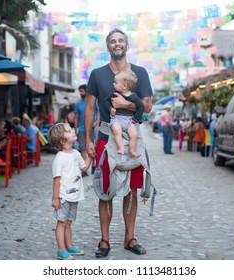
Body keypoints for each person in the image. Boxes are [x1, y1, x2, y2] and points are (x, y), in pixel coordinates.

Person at [84, 28, 152, 258]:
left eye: (121, 40)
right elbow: (90, 108)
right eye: (113, 41)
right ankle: (104, 240)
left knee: (132, 190)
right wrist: (86, 141)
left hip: (132, 136)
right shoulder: (97, 74)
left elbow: (147, 106)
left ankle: (129, 238)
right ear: (108, 46)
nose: (117, 44)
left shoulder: (140, 73)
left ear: (126, 45)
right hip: (105, 137)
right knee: (106, 190)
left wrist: (125, 104)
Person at [47, 122, 92, 260]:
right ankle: (61, 249)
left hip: (75, 195)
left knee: (69, 222)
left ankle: (69, 245)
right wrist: (56, 198)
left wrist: (91, 156)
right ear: (63, 140)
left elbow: (84, 168)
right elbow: (57, 179)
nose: (73, 130)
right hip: (63, 196)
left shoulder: (76, 153)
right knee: (61, 222)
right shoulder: (60, 158)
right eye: (69, 130)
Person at [104, 70, 144, 158]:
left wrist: (135, 119)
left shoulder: (134, 96)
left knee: (134, 135)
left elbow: (141, 107)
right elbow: (105, 101)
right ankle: (121, 147)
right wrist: (110, 109)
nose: (113, 84)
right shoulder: (113, 94)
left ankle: (132, 150)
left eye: (115, 82)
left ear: (124, 86)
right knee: (116, 131)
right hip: (116, 119)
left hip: (129, 120)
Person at [74, 84, 100, 177]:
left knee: (92, 147)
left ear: (86, 91)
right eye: (80, 91)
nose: (81, 93)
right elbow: (76, 118)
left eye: (82, 91)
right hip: (81, 129)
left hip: (92, 128)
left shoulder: (92, 102)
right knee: (82, 148)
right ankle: (85, 168)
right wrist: (76, 129)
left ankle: (93, 165)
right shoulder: (77, 104)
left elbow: (98, 112)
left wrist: (96, 122)